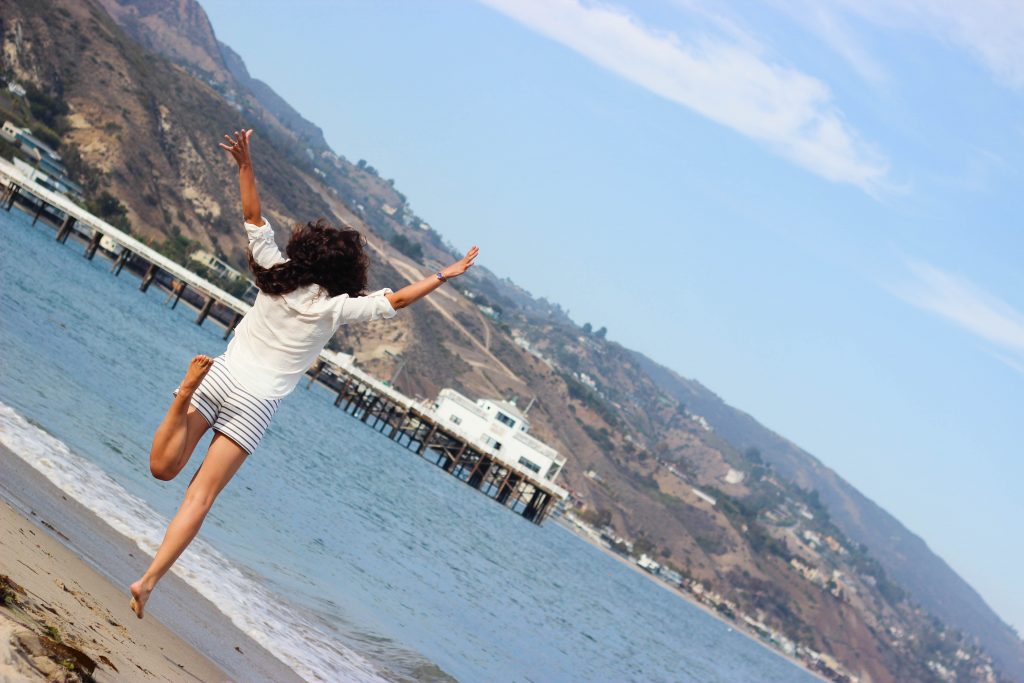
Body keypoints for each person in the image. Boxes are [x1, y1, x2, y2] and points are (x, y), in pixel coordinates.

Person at [129, 130, 478, 618]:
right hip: (254, 405)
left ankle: (180, 395)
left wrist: (245, 165)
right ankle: (147, 582)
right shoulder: (336, 308)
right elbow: (395, 300)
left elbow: (253, 216)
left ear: (307, 249)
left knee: (162, 468)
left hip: (219, 377)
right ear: (346, 272)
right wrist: (444, 274)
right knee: (200, 497)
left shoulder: (275, 272)